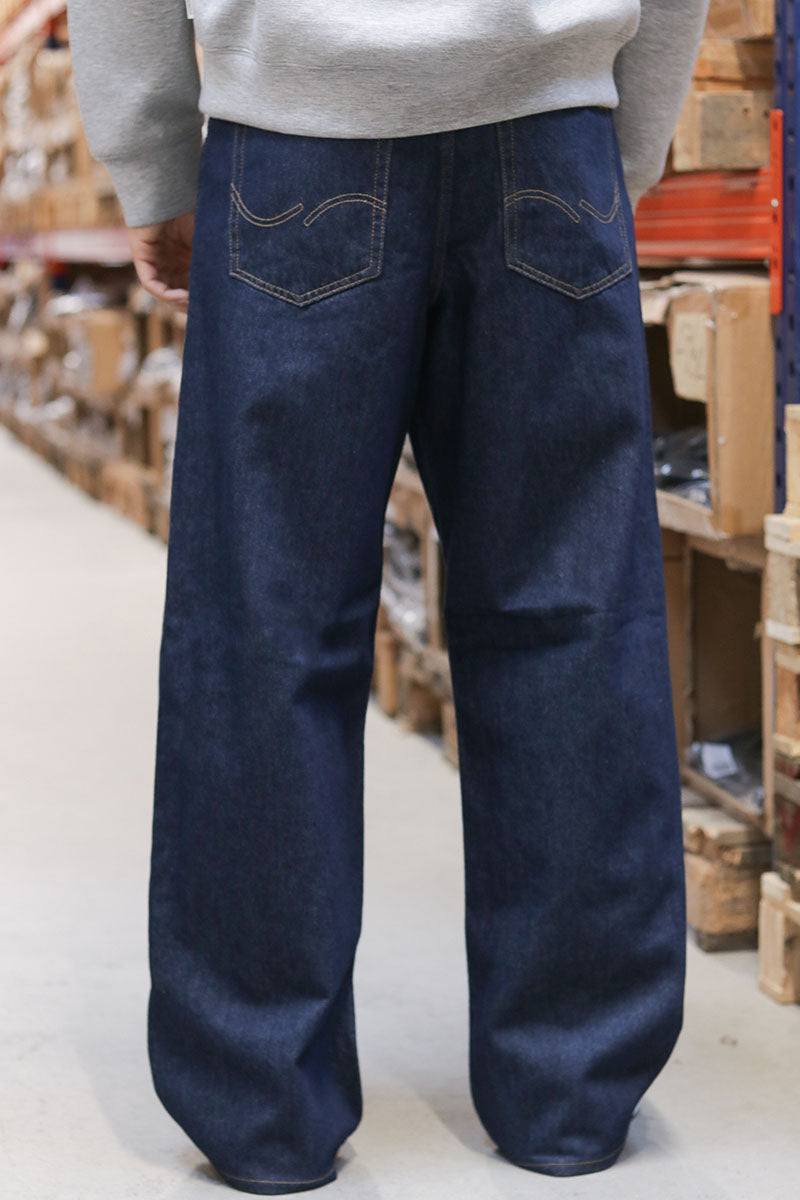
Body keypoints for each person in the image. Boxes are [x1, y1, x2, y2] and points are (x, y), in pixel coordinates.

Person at [66, 2, 711, 1194]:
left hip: (293, 136)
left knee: (264, 628)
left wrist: (150, 157)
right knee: (569, 616)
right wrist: (620, 136)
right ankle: (570, 1086)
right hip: (548, 132)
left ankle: (263, 1102)